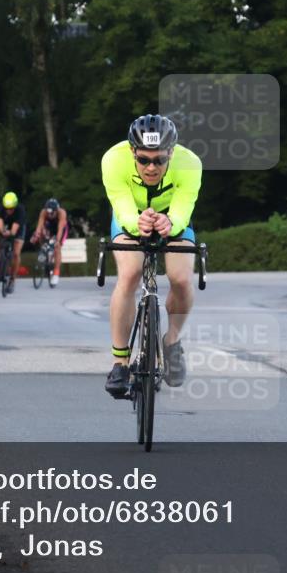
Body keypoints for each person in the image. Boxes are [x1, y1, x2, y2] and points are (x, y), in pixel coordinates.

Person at [101, 114, 202, 399]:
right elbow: (121, 205)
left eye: (159, 160)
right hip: (130, 216)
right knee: (130, 274)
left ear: (171, 152)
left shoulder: (190, 163)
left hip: (174, 218)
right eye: (143, 160)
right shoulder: (113, 160)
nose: (151, 167)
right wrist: (137, 223)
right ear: (132, 151)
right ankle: (120, 362)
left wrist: (173, 222)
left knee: (181, 279)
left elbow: (184, 206)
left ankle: (171, 342)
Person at [30, 197, 68, 286]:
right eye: (48, 212)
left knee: (57, 247)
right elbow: (39, 225)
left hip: (60, 228)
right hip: (50, 227)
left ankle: (56, 273)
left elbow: (60, 229)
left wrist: (57, 241)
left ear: (56, 210)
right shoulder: (44, 212)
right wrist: (36, 235)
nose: (50, 214)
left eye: (52, 213)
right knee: (41, 233)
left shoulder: (61, 213)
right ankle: (43, 251)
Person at [0, 191, 25, 292]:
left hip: (18, 227)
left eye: (11, 208)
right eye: (7, 208)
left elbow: (14, 230)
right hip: (6, 224)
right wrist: (1, 231)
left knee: (16, 253)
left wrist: (10, 233)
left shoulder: (20, 210)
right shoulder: (2, 208)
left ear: (15, 206)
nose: (9, 211)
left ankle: (12, 280)